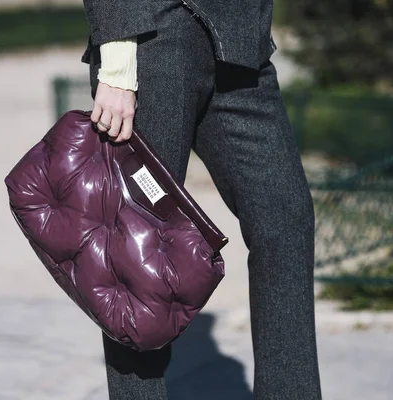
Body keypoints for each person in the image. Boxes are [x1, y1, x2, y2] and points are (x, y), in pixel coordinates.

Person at [80, 0, 323, 399]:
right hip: (153, 37)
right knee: (139, 249)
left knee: (286, 221)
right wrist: (119, 54)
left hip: (240, 41)